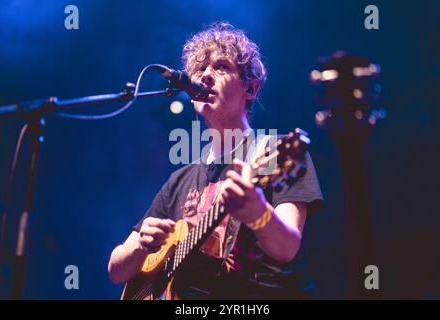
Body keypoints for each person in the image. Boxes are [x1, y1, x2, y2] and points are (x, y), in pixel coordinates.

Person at [108, 22, 323, 299]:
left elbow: (287, 247)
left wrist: (258, 213)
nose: (206, 75)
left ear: (251, 88)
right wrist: (140, 247)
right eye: (200, 69)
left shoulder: (274, 152)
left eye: (221, 66)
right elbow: (116, 270)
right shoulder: (179, 181)